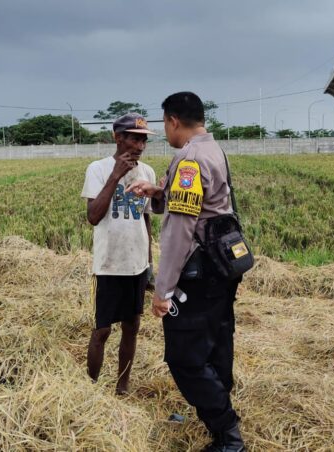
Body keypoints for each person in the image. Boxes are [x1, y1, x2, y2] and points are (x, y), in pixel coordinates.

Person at [126, 92, 245, 451]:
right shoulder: (213, 150)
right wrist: (157, 190)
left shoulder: (190, 159)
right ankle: (220, 417)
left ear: (174, 121)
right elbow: (202, 202)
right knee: (217, 341)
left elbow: (180, 229)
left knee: (184, 358)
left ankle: (228, 435)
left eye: (164, 124)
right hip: (223, 268)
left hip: (199, 273)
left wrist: (162, 291)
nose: (166, 131)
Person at [80, 112, 156, 395]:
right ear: (118, 137)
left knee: (132, 326)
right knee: (102, 331)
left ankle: (122, 387)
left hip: (136, 264)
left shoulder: (147, 172)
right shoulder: (98, 169)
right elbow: (93, 216)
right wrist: (116, 176)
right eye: (134, 139)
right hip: (108, 265)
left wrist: (149, 262)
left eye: (143, 140)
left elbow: (146, 219)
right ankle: (91, 389)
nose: (140, 146)